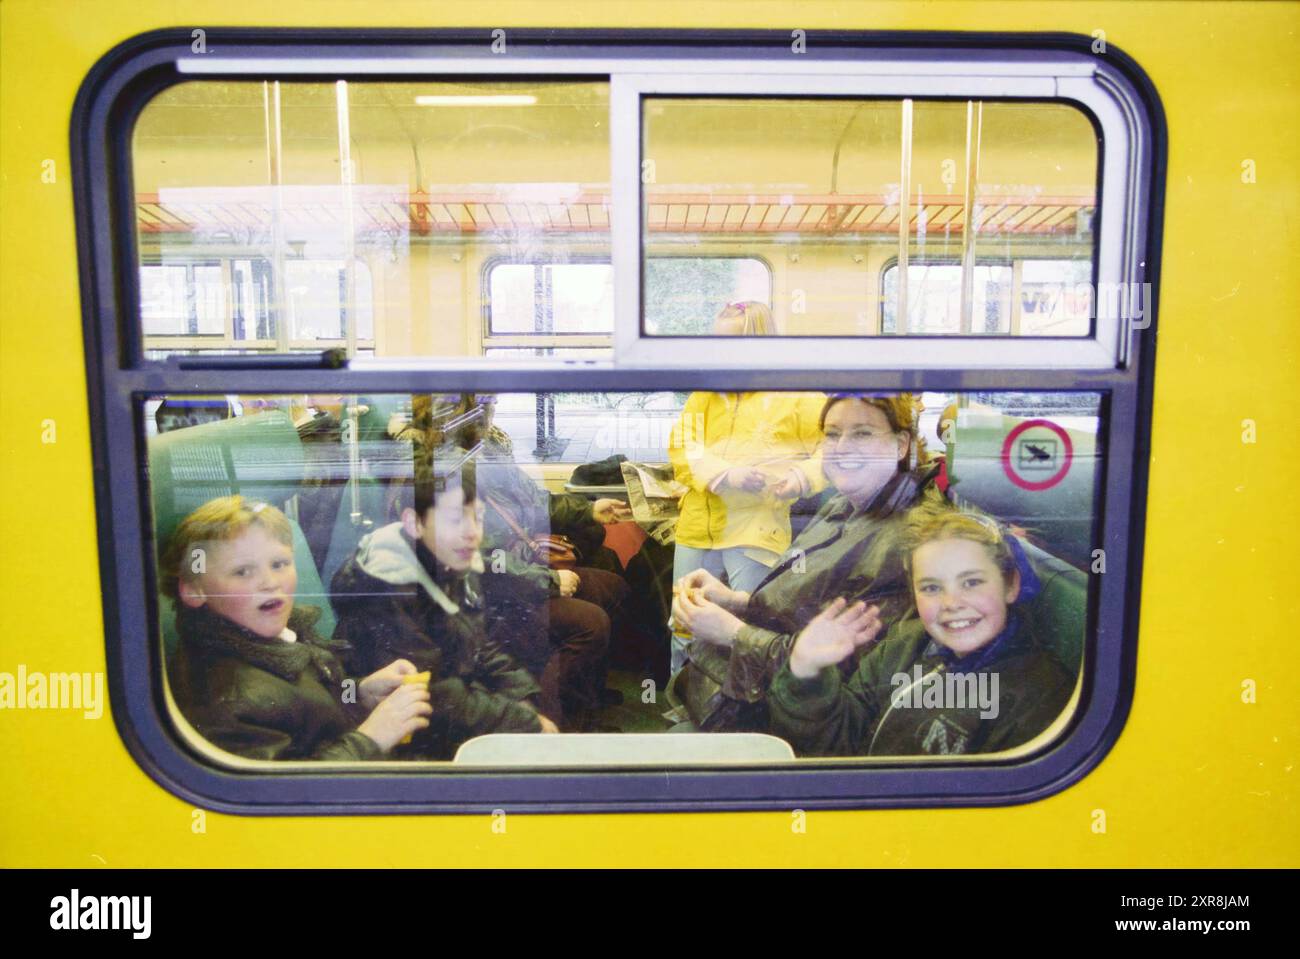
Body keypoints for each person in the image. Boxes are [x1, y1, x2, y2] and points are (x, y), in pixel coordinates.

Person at [670, 392, 938, 731]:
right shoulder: (846, 507)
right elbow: (808, 613)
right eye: (832, 434)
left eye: (862, 433)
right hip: (753, 691)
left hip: (792, 721)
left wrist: (733, 634)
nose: (842, 447)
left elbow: (844, 668)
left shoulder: (905, 542)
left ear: (901, 445)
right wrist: (737, 601)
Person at [394, 393, 631, 731]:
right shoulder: (437, 469)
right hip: (485, 592)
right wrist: (546, 581)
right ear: (465, 412)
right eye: (487, 405)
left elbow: (532, 500)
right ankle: (556, 722)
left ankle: (586, 701)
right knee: (589, 624)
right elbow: (477, 560)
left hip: (516, 566)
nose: (493, 410)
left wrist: (589, 509)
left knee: (613, 587)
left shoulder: (486, 450)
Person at [769, 507, 1075, 756]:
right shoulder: (902, 646)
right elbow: (840, 744)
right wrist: (806, 672)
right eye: (931, 587)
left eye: (971, 582)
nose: (951, 603)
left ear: (1011, 585)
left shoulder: (1039, 696)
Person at [162, 496, 432, 761]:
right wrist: (370, 739)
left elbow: (318, 700)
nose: (270, 582)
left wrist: (360, 693)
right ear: (195, 591)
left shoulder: (280, 639)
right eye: (242, 572)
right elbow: (280, 795)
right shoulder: (228, 702)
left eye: (279, 564)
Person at [330, 446, 559, 759]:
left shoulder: (450, 564)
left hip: (453, 707)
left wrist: (521, 695)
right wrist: (524, 721)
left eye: (477, 518)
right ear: (414, 524)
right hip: (410, 745)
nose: (472, 533)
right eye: (455, 520)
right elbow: (438, 696)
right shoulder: (387, 591)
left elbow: (480, 643)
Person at [667, 301, 827, 673]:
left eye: (733, 341)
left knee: (747, 625)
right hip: (697, 527)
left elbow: (832, 447)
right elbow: (682, 447)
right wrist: (726, 474)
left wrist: (802, 478)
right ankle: (679, 705)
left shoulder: (796, 393)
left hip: (756, 526)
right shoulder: (706, 393)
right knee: (683, 622)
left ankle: (741, 711)